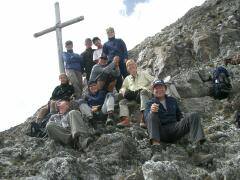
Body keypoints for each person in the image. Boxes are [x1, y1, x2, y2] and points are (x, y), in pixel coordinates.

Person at [144, 79, 213, 165]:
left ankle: (198, 153)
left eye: (161, 87)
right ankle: (157, 152)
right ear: (153, 91)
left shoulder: (172, 100)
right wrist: (151, 111)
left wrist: (187, 125)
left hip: (175, 128)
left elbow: (179, 116)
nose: (159, 90)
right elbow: (146, 118)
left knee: (194, 115)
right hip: (161, 132)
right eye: (156, 88)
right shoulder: (149, 103)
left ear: (165, 88)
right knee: (151, 115)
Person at [117, 59, 154, 128]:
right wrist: (123, 90)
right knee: (122, 101)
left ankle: (144, 119)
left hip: (145, 93)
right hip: (134, 97)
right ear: (127, 69)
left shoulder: (143, 73)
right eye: (128, 65)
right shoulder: (127, 78)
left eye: (132, 64)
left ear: (136, 66)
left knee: (143, 92)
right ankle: (126, 120)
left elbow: (154, 80)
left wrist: (150, 87)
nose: (130, 66)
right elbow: (123, 88)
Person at [102, 27, 128, 91]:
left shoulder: (120, 40)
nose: (110, 33)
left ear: (114, 32)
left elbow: (125, 49)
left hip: (122, 61)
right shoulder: (105, 44)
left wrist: (126, 58)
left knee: (126, 74)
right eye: (108, 32)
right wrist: (105, 63)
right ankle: (120, 91)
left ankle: (131, 88)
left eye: (111, 31)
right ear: (107, 34)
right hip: (112, 63)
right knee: (117, 77)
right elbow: (104, 54)